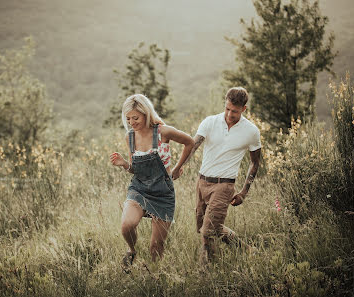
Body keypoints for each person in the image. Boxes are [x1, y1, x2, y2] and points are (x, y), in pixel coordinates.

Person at [110, 94, 194, 268]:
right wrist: (124, 164)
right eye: (128, 119)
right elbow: (135, 168)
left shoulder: (163, 132)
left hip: (163, 192)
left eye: (135, 118)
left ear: (146, 114)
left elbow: (190, 142)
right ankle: (132, 251)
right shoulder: (130, 137)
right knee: (127, 225)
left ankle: (155, 279)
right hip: (139, 188)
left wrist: (178, 168)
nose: (132, 122)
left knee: (156, 247)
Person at [186, 87, 261, 263]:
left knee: (207, 232)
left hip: (224, 185)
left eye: (234, 111)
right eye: (227, 108)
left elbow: (255, 162)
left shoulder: (251, 131)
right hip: (202, 182)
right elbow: (193, 146)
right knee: (205, 227)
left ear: (244, 109)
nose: (229, 114)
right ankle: (248, 250)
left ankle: (207, 271)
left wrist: (243, 192)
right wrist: (179, 166)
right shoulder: (210, 122)